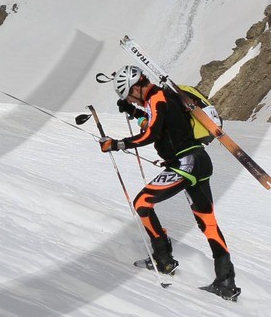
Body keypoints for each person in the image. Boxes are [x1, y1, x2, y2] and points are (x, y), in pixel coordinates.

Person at [101, 66, 239, 300]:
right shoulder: (163, 98)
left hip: (186, 164)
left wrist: (117, 144)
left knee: (143, 203)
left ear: (135, 87)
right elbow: (158, 123)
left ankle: (163, 259)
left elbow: (150, 135)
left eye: (129, 96)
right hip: (200, 161)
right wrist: (134, 112)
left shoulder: (157, 98)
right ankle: (226, 282)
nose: (131, 100)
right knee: (208, 223)